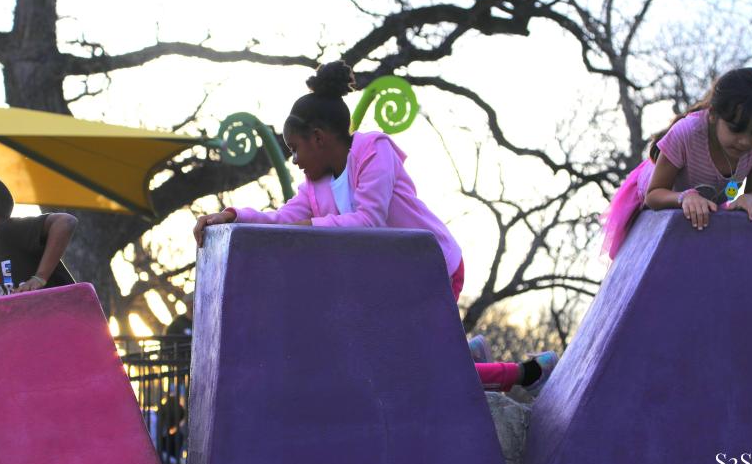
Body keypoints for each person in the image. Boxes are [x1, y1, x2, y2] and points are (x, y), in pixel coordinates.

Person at [193, 61, 556, 395]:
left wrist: (308, 226)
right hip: (391, 285)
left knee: (421, 368)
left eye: (296, 147)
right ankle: (469, 353)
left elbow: (369, 221)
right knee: (396, 363)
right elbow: (281, 220)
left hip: (434, 269)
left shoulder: (373, 150)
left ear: (318, 137)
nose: (295, 159)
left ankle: (527, 373)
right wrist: (232, 216)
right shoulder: (315, 188)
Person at [602, 67, 752, 259]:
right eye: (735, 129)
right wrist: (684, 197)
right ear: (713, 115)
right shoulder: (687, 133)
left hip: (705, 202)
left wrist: (750, 199)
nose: (745, 141)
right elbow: (653, 195)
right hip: (655, 196)